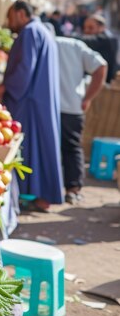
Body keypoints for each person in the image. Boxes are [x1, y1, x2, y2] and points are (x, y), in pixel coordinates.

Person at [0, 0, 64, 211]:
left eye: (10, 17)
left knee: (29, 146)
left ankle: (41, 198)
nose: (8, 22)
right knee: (41, 146)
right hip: (40, 98)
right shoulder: (43, 30)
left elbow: (24, 69)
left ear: (22, 14)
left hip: (29, 100)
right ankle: (41, 197)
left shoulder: (30, 32)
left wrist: (2, 89)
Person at [45, 23, 107, 204]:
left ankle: (52, 192)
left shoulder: (49, 44)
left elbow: (101, 67)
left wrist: (88, 98)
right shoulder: (74, 45)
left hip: (56, 107)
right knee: (71, 148)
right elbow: (101, 67)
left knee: (56, 149)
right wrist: (88, 98)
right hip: (71, 106)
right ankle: (72, 190)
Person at [81, 15, 118, 83]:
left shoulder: (108, 40)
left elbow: (86, 41)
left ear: (101, 27)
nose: (86, 30)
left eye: (91, 27)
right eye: (85, 27)